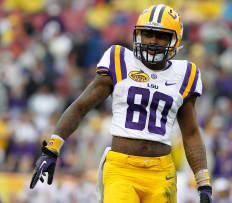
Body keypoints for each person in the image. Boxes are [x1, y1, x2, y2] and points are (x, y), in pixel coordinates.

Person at [30, 4, 212, 203]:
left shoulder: (185, 73)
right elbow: (81, 106)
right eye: (147, 33)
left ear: (175, 40)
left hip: (161, 172)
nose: (152, 41)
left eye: (161, 36)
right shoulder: (120, 60)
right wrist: (52, 148)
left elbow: (191, 132)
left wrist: (203, 183)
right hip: (121, 169)